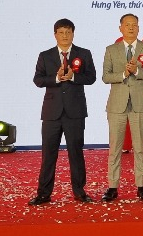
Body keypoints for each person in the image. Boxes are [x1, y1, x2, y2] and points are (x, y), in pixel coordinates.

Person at [30, 18, 96, 205]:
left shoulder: (83, 53)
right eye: (61, 32)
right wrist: (56, 78)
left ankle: (80, 192)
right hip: (52, 113)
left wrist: (74, 76)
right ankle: (43, 194)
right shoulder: (45, 55)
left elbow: (91, 78)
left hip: (75, 112)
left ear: (73, 34)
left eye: (68, 32)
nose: (65, 36)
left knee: (76, 153)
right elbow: (38, 80)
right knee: (48, 154)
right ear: (55, 35)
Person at [101, 13, 143, 202]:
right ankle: (112, 186)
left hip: (140, 103)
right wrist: (124, 73)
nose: (131, 28)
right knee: (114, 147)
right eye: (127, 24)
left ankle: (141, 186)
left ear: (138, 28)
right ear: (120, 28)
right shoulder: (111, 49)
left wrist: (137, 71)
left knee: (140, 147)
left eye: (134, 25)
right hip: (117, 104)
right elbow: (106, 77)